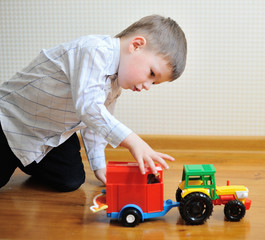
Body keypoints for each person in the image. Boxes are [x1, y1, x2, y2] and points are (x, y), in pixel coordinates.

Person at [0, 15, 187, 192]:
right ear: (136, 45)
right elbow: (89, 109)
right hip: (12, 122)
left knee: (70, 180)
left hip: (49, 130)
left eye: (154, 83)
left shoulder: (115, 84)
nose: (147, 86)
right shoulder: (94, 50)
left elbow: (96, 125)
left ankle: (28, 159)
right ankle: (17, 157)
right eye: (152, 74)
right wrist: (133, 141)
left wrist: (99, 166)